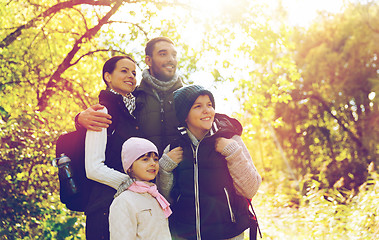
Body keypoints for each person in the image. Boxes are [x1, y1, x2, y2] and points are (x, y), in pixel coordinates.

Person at [156, 85, 262, 240]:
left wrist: (232, 152)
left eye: (209, 105)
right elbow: (165, 199)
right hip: (185, 234)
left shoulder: (231, 140)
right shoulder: (174, 148)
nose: (207, 110)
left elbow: (250, 189)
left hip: (228, 234)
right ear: (185, 115)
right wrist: (164, 168)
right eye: (198, 106)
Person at [76, 36, 183, 155]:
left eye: (174, 55)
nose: (171, 59)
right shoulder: (132, 98)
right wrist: (79, 119)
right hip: (142, 171)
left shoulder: (188, 98)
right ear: (148, 61)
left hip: (182, 172)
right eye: (163, 54)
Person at [84, 55, 141, 239]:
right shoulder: (102, 111)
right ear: (107, 77)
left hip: (132, 208)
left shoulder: (136, 113)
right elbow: (93, 168)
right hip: (104, 208)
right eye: (124, 71)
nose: (131, 76)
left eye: (133, 72)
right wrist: (134, 185)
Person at [109, 137, 172, 240]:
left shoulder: (156, 196)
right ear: (130, 167)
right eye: (145, 159)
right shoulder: (124, 201)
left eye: (155, 159)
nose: (153, 163)